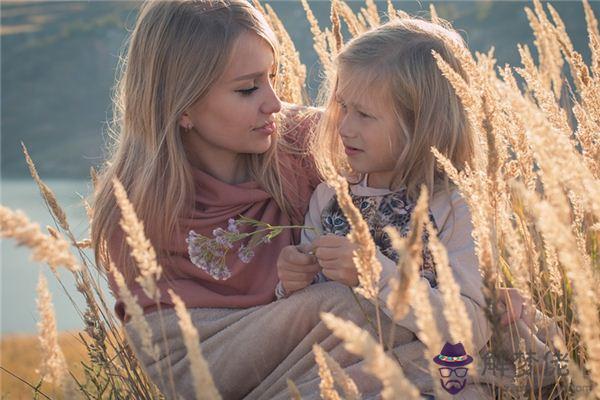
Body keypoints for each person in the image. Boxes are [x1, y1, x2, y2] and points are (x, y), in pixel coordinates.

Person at [92, 1, 543, 399]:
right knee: (343, 306)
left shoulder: (306, 143)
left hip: (347, 340)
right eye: (248, 88)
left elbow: (415, 175)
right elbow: (174, 357)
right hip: (223, 352)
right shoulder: (132, 208)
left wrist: (472, 290)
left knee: (388, 314)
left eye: (273, 78)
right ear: (182, 105)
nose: (274, 102)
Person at [275, 17, 560, 398]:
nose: (343, 127)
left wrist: (374, 272)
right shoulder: (330, 198)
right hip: (351, 371)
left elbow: (471, 328)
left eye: (365, 115)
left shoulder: (454, 207)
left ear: (421, 125)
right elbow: (311, 315)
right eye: (342, 106)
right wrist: (289, 284)